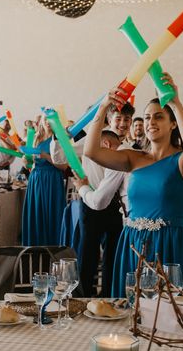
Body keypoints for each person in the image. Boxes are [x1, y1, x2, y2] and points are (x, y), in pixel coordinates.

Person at [84, 74, 183, 298]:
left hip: (169, 244)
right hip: (133, 240)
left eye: (159, 117)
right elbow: (91, 151)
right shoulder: (133, 157)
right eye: (147, 117)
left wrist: (176, 103)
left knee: (169, 313)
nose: (150, 122)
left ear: (173, 124)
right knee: (131, 312)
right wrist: (102, 108)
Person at [73, 130, 124, 297]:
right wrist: (60, 135)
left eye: (126, 119)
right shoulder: (91, 140)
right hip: (91, 202)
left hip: (112, 204)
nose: (122, 123)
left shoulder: (120, 155)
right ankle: (83, 296)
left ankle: (109, 296)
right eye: (118, 118)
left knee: (113, 254)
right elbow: (59, 156)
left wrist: (81, 188)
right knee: (87, 253)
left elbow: (100, 200)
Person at [21, 115, 68, 245]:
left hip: (52, 179)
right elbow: (31, 163)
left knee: (52, 213)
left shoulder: (60, 138)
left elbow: (63, 166)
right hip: (36, 179)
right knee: (37, 212)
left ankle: (53, 246)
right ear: (42, 120)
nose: (48, 122)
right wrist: (26, 161)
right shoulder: (35, 138)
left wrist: (45, 156)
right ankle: (36, 246)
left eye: (50, 119)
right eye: (45, 119)